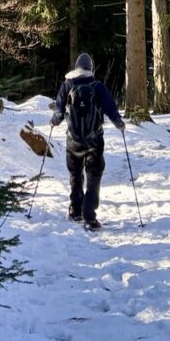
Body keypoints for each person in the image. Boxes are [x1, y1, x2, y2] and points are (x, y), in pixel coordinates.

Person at [49, 52, 125, 230]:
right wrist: (119, 124)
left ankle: (75, 211)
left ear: (76, 67)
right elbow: (110, 107)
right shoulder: (97, 86)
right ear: (90, 68)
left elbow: (59, 112)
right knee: (94, 176)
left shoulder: (67, 85)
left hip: (73, 140)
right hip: (94, 140)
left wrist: (54, 122)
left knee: (75, 175)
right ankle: (89, 217)